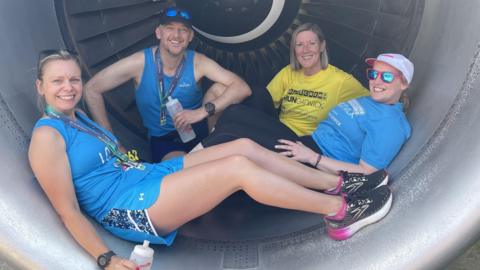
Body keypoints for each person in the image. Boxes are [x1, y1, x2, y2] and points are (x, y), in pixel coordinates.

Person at [29, 50, 392, 269]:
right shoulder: (47, 135)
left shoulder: (75, 118)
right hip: (130, 206)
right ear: (40, 86)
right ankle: (339, 210)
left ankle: (341, 182)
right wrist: (105, 259)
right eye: (58, 81)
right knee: (237, 170)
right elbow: (67, 210)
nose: (69, 88)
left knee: (245, 145)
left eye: (73, 79)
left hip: (144, 176)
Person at [84, 6, 251, 162]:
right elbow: (92, 89)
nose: (176, 36)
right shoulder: (139, 63)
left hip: (200, 128)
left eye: (183, 30)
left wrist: (201, 112)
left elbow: (242, 88)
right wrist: (112, 142)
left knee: (222, 88)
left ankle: (215, 142)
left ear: (190, 36)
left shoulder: (198, 62)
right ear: (159, 33)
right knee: (183, 168)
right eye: (170, 28)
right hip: (166, 141)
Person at [204, 53, 413, 175]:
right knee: (236, 112)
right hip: (305, 142)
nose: (377, 81)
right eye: (374, 74)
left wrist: (314, 158)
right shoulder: (368, 99)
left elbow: (367, 172)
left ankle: (181, 170)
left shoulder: (390, 124)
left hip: (313, 163)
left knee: (231, 133)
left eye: (386, 76)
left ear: (404, 83)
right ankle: (199, 156)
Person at [201, 22, 368, 151]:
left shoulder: (341, 81)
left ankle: (199, 155)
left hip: (304, 142)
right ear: (294, 49)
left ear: (322, 46)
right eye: (299, 45)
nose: (305, 50)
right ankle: (208, 149)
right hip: (278, 130)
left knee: (234, 115)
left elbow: (374, 104)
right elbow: (263, 101)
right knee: (249, 100)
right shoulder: (289, 72)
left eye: (311, 43)